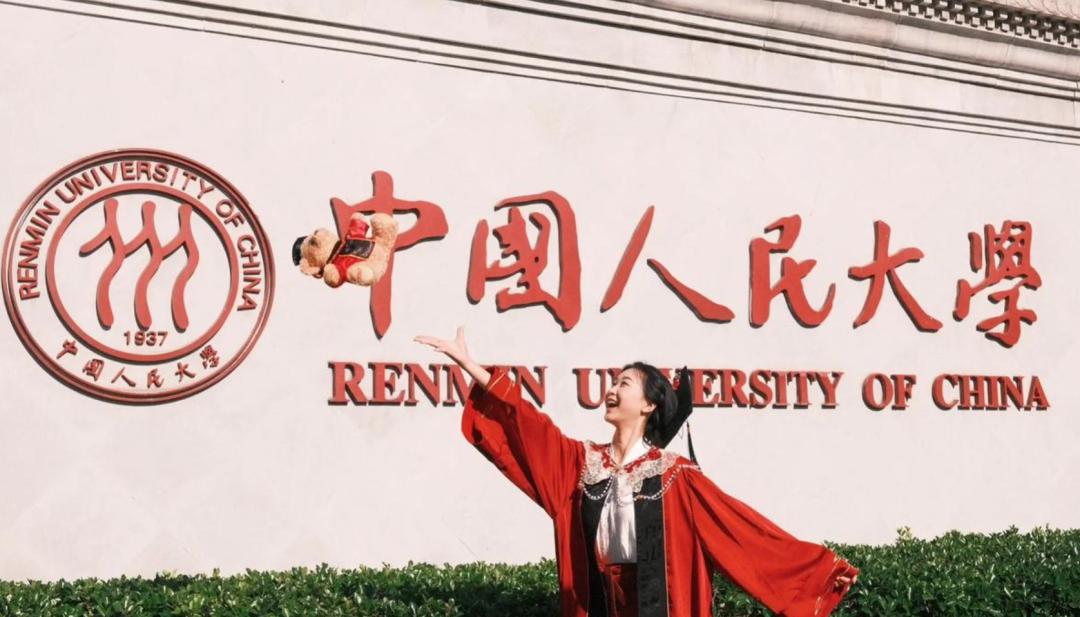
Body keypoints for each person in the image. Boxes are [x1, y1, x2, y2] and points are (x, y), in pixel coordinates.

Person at [415, 327, 858, 617]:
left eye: (623, 384)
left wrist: (818, 571)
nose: (611, 390)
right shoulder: (580, 465)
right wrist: (474, 368)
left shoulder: (676, 477)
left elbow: (740, 532)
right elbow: (530, 427)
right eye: (613, 383)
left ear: (648, 404)